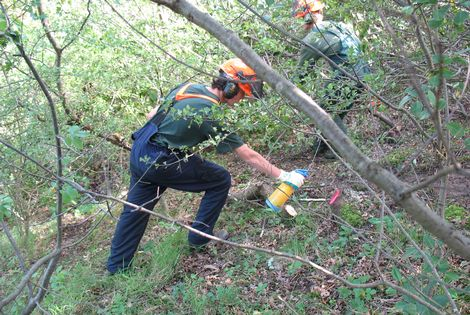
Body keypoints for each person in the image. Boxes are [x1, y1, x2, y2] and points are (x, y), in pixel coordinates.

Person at [107, 58, 307, 274]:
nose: (241, 99)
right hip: (162, 159)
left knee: (135, 210)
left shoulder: (188, 88)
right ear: (230, 88)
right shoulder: (210, 112)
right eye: (242, 93)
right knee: (220, 179)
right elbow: (248, 155)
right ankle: (199, 238)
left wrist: (180, 134)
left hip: (141, 150)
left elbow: (151, 115)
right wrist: (284, 176)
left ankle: (117, 267)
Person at [292, 0, 371, 158]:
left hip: (348, 75)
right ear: (320, 12)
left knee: (325, 109)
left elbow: (301, 73)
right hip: (365, 73)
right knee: (337, 110)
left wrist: (288, 87)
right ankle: (321, 145)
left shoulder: (313, 39)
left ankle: (346, 151)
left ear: (306, 18)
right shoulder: (339, 25)